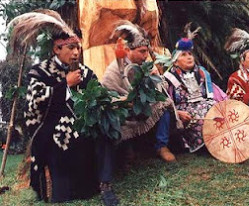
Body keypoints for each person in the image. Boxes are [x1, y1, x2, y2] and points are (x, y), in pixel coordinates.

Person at [20, 12, 98, 203]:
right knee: (62, 136)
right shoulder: (39, 71)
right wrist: (65, 84)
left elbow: (98, 94)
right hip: (49, 130)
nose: (76, 53)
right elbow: (34, 102)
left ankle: (94, 184)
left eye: (78, 48)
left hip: (81, 127)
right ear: (56, 48)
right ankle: (56, 187)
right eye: (71, 48)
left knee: (91, 133)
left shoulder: (86, 72)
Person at [101, 21, 176, 162]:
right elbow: (107, 96)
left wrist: (155, 77)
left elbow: (161, 90)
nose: (145, 55)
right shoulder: (115, 69)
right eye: (142, 51)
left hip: (142, 107)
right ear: (129, 50)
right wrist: (125, 102)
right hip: (123, 110)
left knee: (164, 104)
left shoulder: (145, 65)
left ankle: (162, 146)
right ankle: (127, 148)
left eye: (146, 51)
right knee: (118, 117)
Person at [164, 35, 227, 153]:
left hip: (205, 104)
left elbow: (214, 92)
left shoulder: (202, 73)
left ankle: (225, 143)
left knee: (219, 114)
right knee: (204, 120)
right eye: (183, 55)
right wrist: (177, 112)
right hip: (186, 111)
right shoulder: (170, 78)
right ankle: (210, 146)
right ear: (176, 62)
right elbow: (165, 102)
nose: (189, 57)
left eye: (190, 54)